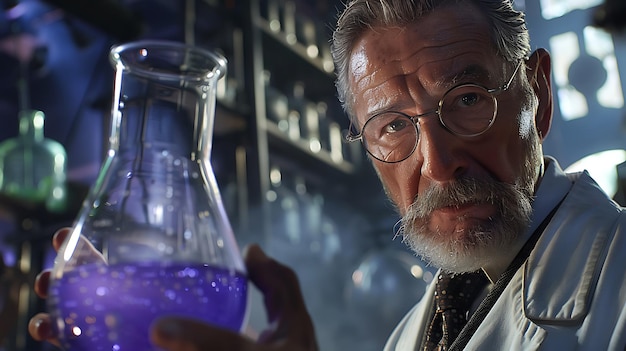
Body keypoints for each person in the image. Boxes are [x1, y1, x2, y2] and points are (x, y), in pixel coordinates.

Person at [29, 0, 626, 350]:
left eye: (468, 100)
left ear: (539, 94)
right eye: (393, 127)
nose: (440, 164)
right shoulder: (414, 332)